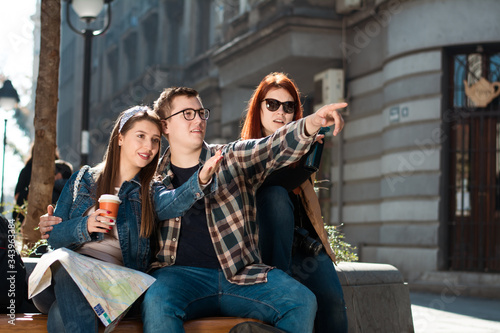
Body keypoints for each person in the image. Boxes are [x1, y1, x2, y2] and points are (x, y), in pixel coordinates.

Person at [142, 87, 346, 333]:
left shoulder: (228, 157)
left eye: (200, 112)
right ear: (165, 126)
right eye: (187, 114)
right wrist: (200, 182)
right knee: (156, 301)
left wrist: (311, 124)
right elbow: (164, 205)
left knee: (301, 301)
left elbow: (270, 147)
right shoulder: (153, 179)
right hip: (179, 278)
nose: (197, 119)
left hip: (240, 276)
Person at [37, 106, 222, 332]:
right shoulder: (82, 180)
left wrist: (200, 180)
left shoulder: (150, 191)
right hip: (72, 279)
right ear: (120, 138)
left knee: (59, 313)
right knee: (66, 266)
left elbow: (175, 202)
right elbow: (54, 239)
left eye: (155, 140)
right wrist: (85, 225)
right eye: (141, 136)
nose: (149, 146)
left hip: (120, 289)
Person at [240, 72, 348, 332]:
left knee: (333, 304)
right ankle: (279, 283)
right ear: (259, 108)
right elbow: (265, 184)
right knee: (275, 196)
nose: (281, 112)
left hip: (303, 246)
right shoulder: (243, 151)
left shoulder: (304, 149)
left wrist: (308, 156)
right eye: (272, 104)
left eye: (289, 107)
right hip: (262, 251)